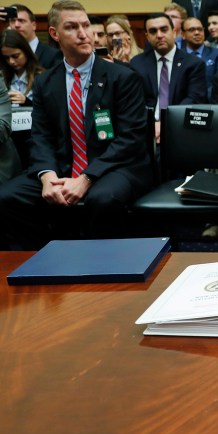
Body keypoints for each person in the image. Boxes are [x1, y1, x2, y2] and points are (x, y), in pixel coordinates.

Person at [0, 0, 151, 249]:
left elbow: (130, 140)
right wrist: (47, 176)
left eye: (86, 25)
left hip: (115, 166)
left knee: (102, 199)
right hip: (62, 166)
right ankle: (46, 258)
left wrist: (86, 178)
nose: (83, 33)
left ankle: (101, 269)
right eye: (72, 27)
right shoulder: (46, 82)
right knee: (7, 197)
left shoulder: (122, 77)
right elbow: (41, 137)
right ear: (54, 34)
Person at [131, 12, 207, 144]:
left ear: (174, 32)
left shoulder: (193, 64)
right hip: (147, 131)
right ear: (147, 36)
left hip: (181, 128)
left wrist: (165, 123)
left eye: (164, 29)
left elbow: (195, 99)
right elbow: (135, 102)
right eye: (153, 31)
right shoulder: (137, 64)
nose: (159, 35)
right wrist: (152, 125)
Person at [181, 16, 218, 98]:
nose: (197, 33)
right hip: (182, 104)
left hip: (209, 103)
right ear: (183, 35)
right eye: (192, 30)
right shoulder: (177, 56)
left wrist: (200, 98)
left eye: (200, 29)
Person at [2, 4, 61, 69]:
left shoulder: (53, 55)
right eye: (13, 21)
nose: (16, 25)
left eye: (21, 21)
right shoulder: (5, 55)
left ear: (34, 25)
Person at [1, 29, 43, 107]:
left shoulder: (42, 77)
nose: (11, 61)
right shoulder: (1, 77)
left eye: (15, 56)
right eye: (6, 58)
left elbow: (50, 110)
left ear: (26, 51)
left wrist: (27, 102)